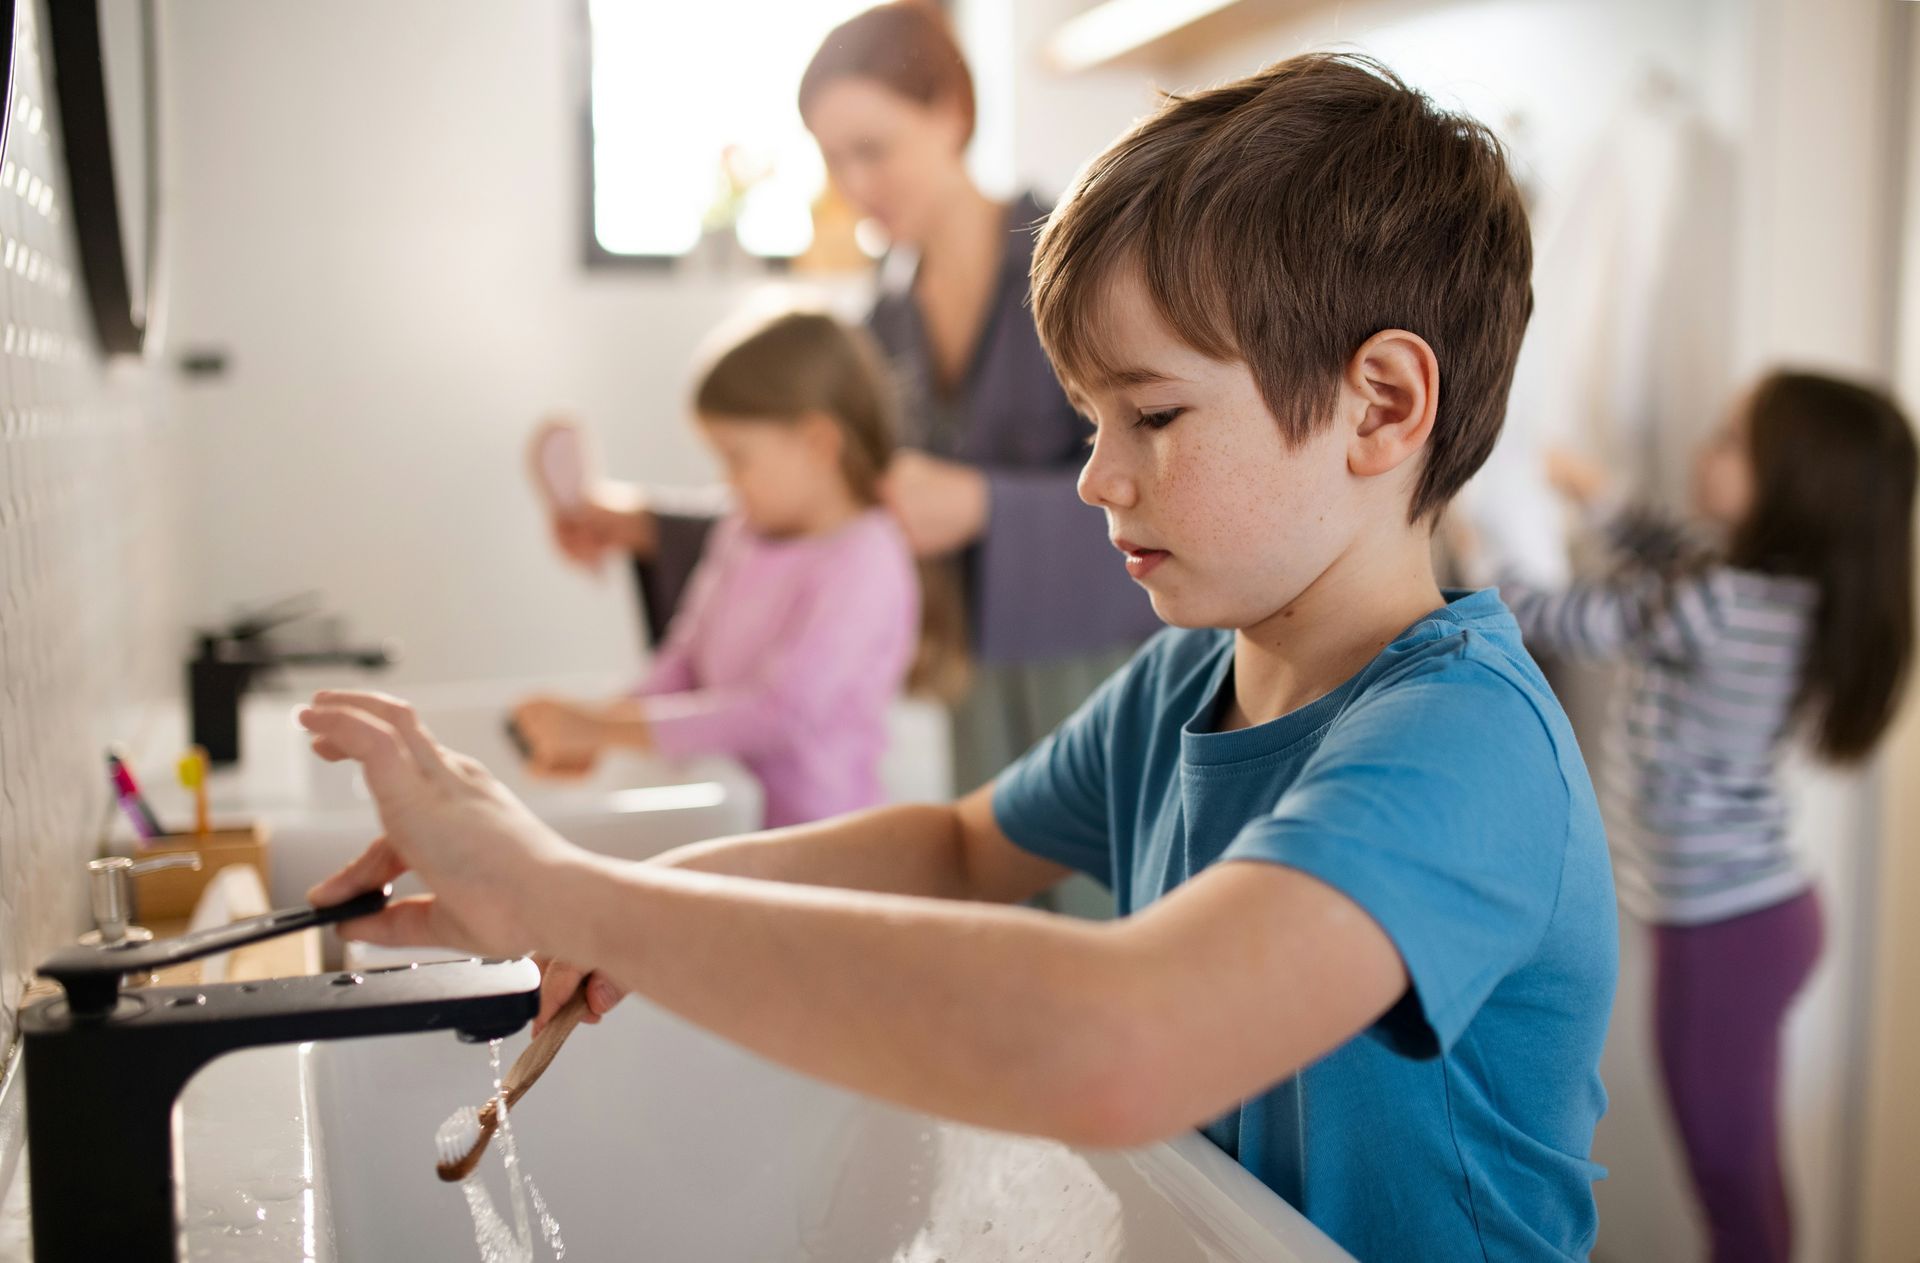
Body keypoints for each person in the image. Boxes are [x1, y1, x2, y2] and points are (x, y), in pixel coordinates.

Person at [302, 54, 1616, 1261]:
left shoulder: (1463, 747)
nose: (1096, 477)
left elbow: (1121, 1043)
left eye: (1153, 414)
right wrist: (597, 898)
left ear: (1380, 405)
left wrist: (580, 897)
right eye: (1090, 420)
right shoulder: (1187, 682)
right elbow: (954, 849)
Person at [539, 1, 1158, 806]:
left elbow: (1176, 477)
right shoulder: (883, 325)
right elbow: (825, 504)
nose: (855, 185)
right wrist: (642, 523)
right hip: (976, 695)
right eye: (833, 159)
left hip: (1110, 670)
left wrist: (984, 505)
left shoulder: (1089, 271)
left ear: (952, 113)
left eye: (873, 149)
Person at [1461, 372, 1917, 1263]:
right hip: (1759, 914)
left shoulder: (1715, 604)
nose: (1706, 450)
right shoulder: (1774, 592)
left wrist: (1476, 549)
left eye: (1732, 441)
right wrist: (1596, 494)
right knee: (1746, 1172)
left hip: (1723, 930)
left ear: (1795, 484)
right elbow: (1677, 549)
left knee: (1726, 1176)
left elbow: (1565, 617)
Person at [513, 311, 923, 829]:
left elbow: (782, 713)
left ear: (818, 442)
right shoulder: (741, 531)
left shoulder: (865, 561)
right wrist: (605, 724)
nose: (727, 480)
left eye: (737, 457)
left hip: (819, 832)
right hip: (728, 807)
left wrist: (605, 729)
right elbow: (686, 656)